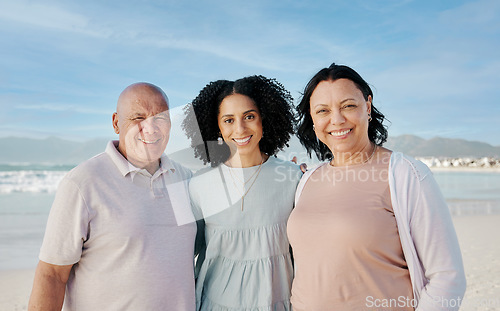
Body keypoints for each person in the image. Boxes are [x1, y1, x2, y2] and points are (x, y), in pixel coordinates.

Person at [287, 63, 466, 310]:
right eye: (323, 111)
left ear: (367, 107)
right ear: (313, 119)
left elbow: (447, 277)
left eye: (348, 106)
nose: (336, 120)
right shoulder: (307, 180)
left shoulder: (406, 174)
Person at [28, 83, 197, 310]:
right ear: (117, 123)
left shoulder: (186, 179)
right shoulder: (82, 183)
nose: (151, 128)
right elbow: (52, 274)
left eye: (160, 118)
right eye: (138, 117)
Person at [182, 75, 301, 310]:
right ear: (215, 125)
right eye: (228, 120)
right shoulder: (199, 183)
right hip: (216, 304)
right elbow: (184, 253)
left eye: (249, 116)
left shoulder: (293, 176)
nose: (240, 128)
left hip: (278, 303)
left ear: (264, 118)